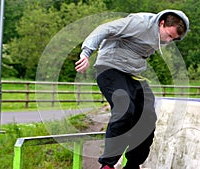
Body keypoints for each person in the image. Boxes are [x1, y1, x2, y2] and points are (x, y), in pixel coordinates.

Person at [75, 9, 189, 169]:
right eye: (169, 35)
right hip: (109, 68)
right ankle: (107, 165)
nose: (168, 41)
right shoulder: (140, 23)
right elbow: (104, 29)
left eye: (173, 39)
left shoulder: (161, 36)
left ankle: (133, 164)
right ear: (161, 23)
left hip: (132, 74)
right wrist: (86, 53)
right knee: (125, 108)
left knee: (147, 117)